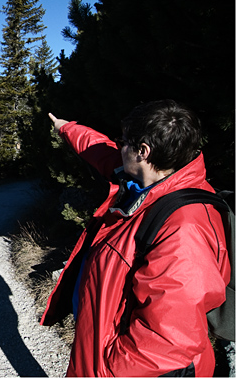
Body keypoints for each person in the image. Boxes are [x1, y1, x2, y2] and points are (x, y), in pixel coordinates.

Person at [41, 99, 230, 377]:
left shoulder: (184, 227)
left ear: (143, 151)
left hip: (133, 369)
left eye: (125, 141)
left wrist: (109, 369)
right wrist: (66, 128)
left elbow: (170, 337)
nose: (119, 146)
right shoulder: (148, 182)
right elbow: (101, 151)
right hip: (102, 351)